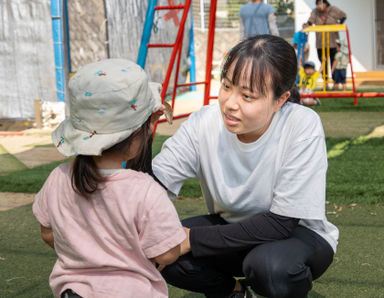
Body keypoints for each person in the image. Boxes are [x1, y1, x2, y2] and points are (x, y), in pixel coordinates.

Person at [152, 35, 338, 298]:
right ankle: (234, 292)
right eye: (227, 86)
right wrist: (139, 137)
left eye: (247, 95)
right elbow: (150, 188)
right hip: (230, 224)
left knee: (272, 268)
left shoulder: (301, 126)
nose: (230, 103)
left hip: (297, 235)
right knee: (162, 246)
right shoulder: (203, 122)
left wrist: (191, 239)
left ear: (280, 100)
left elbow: (281, 223)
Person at [32, 59, 186, 298]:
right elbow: (167, 254)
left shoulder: (58, 178)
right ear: (137, 136)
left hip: (72, 291)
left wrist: (85, 253)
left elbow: (47, 232)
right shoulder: (145, 191)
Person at [303, 0, 347, 83]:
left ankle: (335, 82)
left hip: (333, 42)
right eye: (318, 4)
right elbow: (310, 21)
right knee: (323, 63)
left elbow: (344, 16)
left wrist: (339, 23)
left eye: (321, 3)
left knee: (334, 63)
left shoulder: (333, 9)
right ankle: (325, 82)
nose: (319, 6)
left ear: (326, 3)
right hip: (321, 43)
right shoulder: (315, 11)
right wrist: (307, 24)